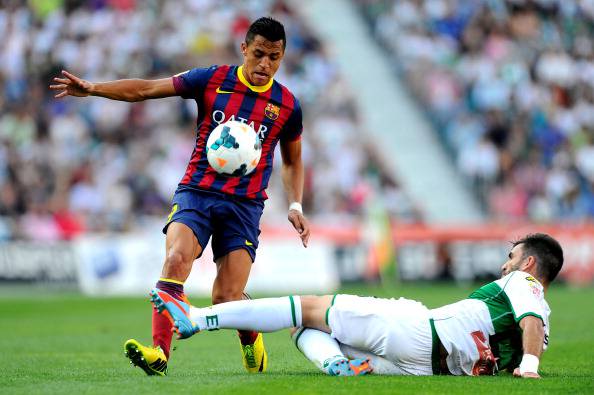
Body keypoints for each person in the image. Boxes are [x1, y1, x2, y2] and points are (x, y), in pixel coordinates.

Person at [50, 17, 310, 376]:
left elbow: (293, 161)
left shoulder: (287, 105)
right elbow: (145, 90)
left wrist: (295, 204)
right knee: (175, 260)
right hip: (197, 193)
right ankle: (159, 353)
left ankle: (250, 338)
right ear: (244, 49)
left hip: (245, 205)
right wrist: (93, 88)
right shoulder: (211, 79)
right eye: (260, 54)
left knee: (227, 299)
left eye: (275, 57)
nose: (265, 64)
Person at [150, 233, 563, 378]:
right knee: (307, 331)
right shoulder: (545, 329)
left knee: (306, 308)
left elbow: (527, 319)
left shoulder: (524, 283)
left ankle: (197, 318)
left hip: (418, 329)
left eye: (511, 257)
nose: (503, 264)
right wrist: (523, 362)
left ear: (528, 263)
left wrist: (529, 368)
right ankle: (333, 365)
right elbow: (527, 332)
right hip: (427, 368)